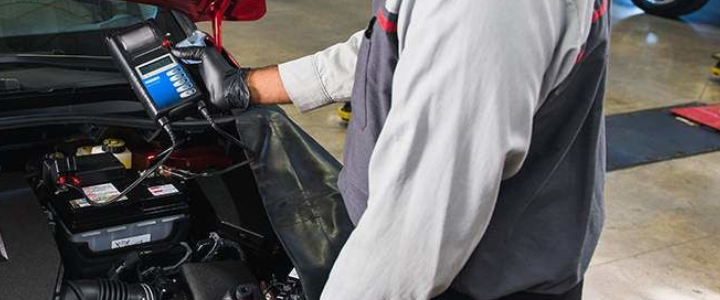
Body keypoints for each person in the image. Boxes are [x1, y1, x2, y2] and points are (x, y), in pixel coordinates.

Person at [173, 0, 610, 299]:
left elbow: (418, 223)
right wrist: (247, 86)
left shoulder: (482, 11)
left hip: (471, 283)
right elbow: (397, 44)